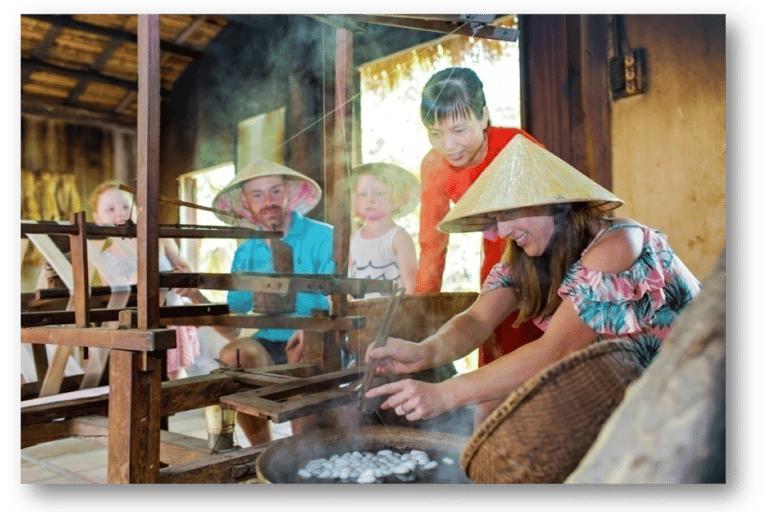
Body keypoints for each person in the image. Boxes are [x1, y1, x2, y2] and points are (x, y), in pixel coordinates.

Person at [365, 134, 702, 426]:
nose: (504, 230)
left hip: (696, 391)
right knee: (491, 401)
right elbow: (477, 319)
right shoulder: (529, 256)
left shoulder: (617, 244)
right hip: (636, 397)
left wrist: (443, 395)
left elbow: (555, 351)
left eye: (511, 212)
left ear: (556, 204)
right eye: (498, 217)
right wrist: (424, 352)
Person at [415, 67, 545, 382]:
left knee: (540, 356)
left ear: (483, 116)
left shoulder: (515, 146)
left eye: (459, 130)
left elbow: (555, 214)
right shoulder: (434, 166)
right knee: (493, 342)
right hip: (495, 257)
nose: (447, 144)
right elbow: (432, 243)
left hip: (542, 254)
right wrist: (420, 310)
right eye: (435, 133)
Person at [199, 157, 334, 445]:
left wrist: (311, 328)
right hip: (269, 345)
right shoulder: (246, 250)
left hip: (319, 341)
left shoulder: (323, 235)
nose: (267, 201)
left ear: (290, 193)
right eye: (257, 195)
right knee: (231, 357)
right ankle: (262, 450)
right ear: (246, 203)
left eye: (275, 191)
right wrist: (195, 296)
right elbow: (233, 326)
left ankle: (302, 450)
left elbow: (339, 297)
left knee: (303, 356)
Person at [89, 181, 200, 381]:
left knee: (173, 371)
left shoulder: (159, 238)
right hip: (134, 324)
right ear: (97, 219)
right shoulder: (105, 257)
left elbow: (186, 267)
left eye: (125, 206)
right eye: (110, 209)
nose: (120, 213)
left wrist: (182, 274)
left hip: (170, 316)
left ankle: (175, 404)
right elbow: (113, 295)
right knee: (139, 374)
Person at [345, 163, 419, 298]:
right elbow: (349, 283)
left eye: (379, 193)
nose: (370, 199)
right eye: (362, 194)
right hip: (358, 314)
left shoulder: (399, 238)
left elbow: (410, 286)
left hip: (392, 313)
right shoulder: (352, 240)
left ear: (397, 198)